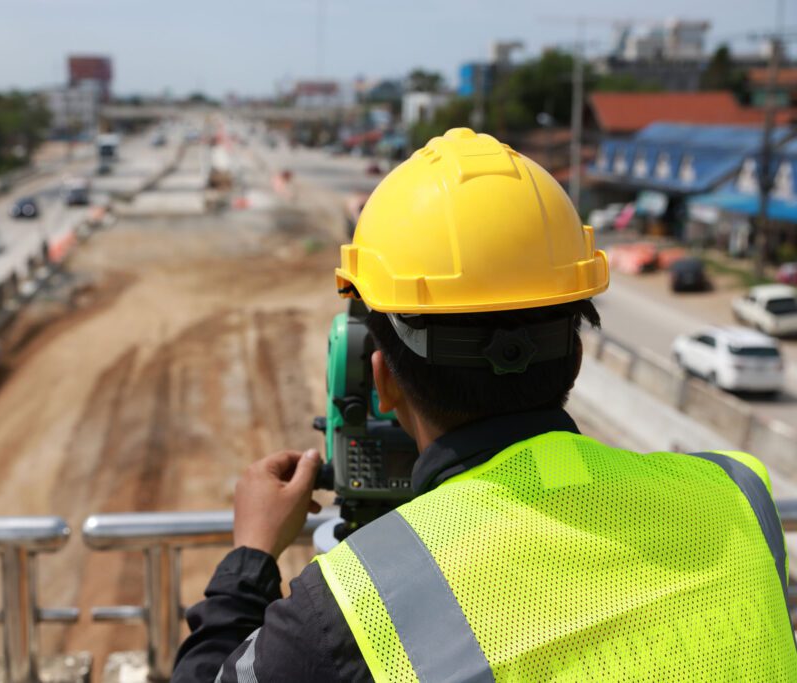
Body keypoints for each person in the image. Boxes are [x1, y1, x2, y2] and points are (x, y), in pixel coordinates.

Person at [172, 129, 797, 682]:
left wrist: (250, 558)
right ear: (576, 360)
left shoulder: (345, 614)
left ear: (382, 380)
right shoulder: (741, 496)